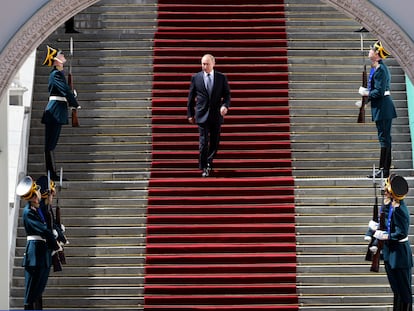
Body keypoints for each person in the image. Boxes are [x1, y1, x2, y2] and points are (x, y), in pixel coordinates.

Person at [16, 176, 61, 310]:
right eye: (34, 198)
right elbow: (43, 230)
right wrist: (55, 244)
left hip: (42, 255)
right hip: (34, 255)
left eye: (37, 196)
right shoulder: (28, 212)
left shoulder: (37, 210)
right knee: (31, 294)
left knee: (38, 292)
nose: (37, 199)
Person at [369, 174, 412, 310]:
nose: (385, 192)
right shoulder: (392, 205)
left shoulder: (400, 210)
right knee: (396, 291)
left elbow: (401, 233)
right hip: (390, 254)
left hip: (399, 255)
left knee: (404, 293)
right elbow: (385, 220)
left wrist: (385, 236)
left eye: (387, 191)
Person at [187, 54, 231, 177]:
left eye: (206, 64)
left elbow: (227, 95)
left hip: (216, 115)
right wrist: (190, 114)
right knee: (203, 141)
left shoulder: (221, 78)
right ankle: (204, 166)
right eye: (202, 64)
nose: (204, 66)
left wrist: (225, 106)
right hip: (201, 115)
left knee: (215, 142)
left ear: (213, 64)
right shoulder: (196, 78)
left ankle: (209, 161)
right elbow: (191, 97)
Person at [359, 40, 397, 178]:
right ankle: (383, 169)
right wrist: (365, 101)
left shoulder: (381, 70)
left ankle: (384, 170)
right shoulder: (376, 68)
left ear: (377, 55)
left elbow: (379, 92)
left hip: (384, 108)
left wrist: (366, 93)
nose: (370, 51)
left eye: (372, 50)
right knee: (384, 138)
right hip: (381, 107)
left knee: (385, 138)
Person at [41, 45, 80, 180]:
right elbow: (64, 90)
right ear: (56, 60)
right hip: (55, 111)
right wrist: (74, 103)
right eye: (60, 55)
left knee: (51, 144)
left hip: (57, 110)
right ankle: (52, 175)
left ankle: (52, 174)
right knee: (50, 145)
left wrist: (71, 95)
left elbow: (64, 91)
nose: (63, 56)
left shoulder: (58, 74)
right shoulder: (56, 74)